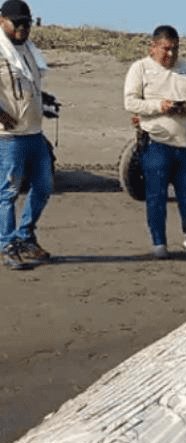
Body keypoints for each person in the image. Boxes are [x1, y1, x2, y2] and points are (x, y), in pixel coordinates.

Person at [123, 24, 186, 259]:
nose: (171, 54)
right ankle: (159, 242)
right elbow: (130, 102)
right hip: (156, 142)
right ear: (153, 47)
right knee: (156, 194)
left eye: (175, 49)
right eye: (166, 49)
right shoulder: (140, 68)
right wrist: (159, 106)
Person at [0, 0, 52, 270]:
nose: (22, 28)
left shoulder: (30, 51)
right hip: (8, 137)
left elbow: (30, 85)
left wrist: (45, 102)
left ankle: (25, 236)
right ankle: (7, 245)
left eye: (27, 23)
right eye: (16, 22)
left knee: (43, 187)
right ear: (1, 21)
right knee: (8, 192)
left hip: (34, 132)